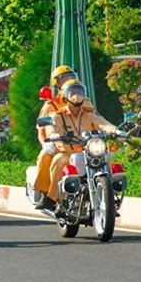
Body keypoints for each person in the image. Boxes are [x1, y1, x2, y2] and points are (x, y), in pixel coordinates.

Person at [40, 80, 124, 210]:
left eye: (79, 91)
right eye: (72, 92)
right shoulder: (58, 115)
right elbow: (51, 127)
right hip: (68, 152)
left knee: (107, 157)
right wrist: (53, 135)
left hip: (89, 151)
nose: (76, 94)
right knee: (59, 160)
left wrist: (116, 131)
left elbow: (103, 123)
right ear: (64, 95)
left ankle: (109, 196)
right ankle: (52, 198)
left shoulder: (89, 114)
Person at [33, 65, 79, 209]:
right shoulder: (51, 105)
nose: (69, 81)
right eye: (65, 78)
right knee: (46, 156)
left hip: (80, 145)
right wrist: (45, 144)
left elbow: (95, 119)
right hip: (58, 145)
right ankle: (48, 195)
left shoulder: (82, 101)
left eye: (71, 77)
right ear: (57, 84)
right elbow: (41, 129)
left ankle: (109, 194)